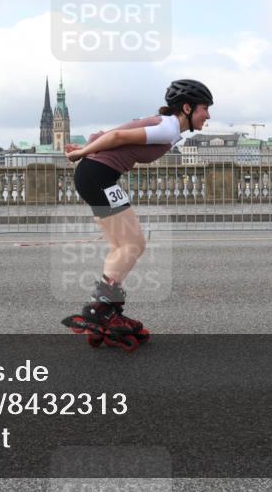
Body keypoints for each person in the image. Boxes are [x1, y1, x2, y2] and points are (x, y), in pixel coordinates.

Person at [61, 79, 213, 351]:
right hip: (99, 177)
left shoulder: (166, 126)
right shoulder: (168, 128)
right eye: (205, 108)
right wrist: (82, 152)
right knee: (134, 244)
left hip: (98, 176)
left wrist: (90, 147)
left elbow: (109, 134)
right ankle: (101, 308)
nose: (208, 115)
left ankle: (107, 308)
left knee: (122, 246)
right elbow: (117, 138)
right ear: (187, 108)